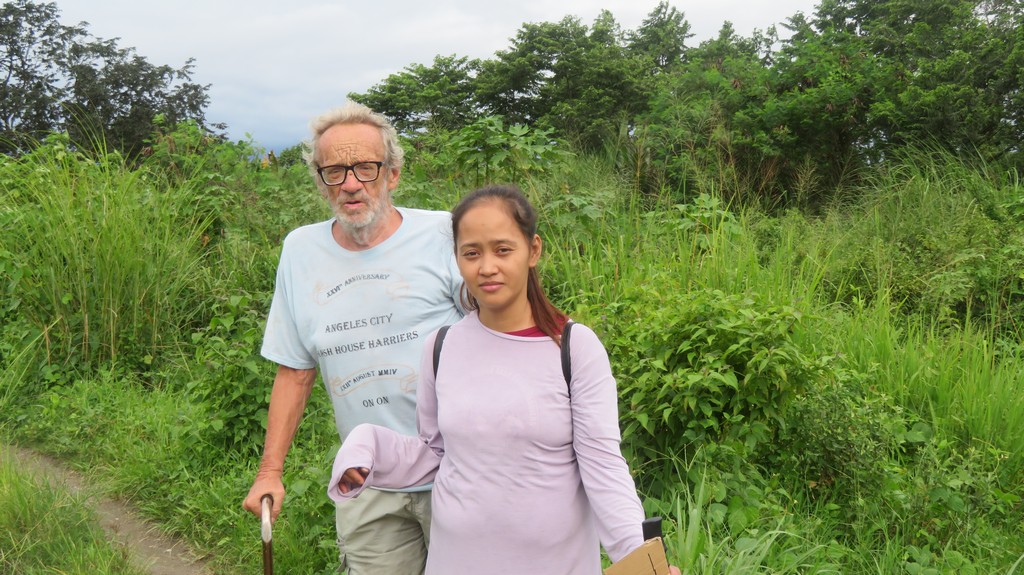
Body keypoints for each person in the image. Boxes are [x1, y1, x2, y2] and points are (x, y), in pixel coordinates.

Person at [329, 184, 681, 574]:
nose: (487, 267)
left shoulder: (573, 348)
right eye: (471, 253)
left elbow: (603, 467)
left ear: (533, 250)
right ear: (457, 258)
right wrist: (368, 446)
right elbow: (436, 455)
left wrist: (640, 560)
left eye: (502, 250)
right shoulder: (441, 347)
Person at [241, 101, 464, 575]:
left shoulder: (444, 233)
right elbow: (295, 370)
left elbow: (504, 332)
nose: (350, 183)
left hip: (461, 471)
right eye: (334, 171)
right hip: (369, 478)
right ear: (320, 182)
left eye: (365, 167)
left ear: (393, 174)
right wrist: (269, 473)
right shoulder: (300, 250)